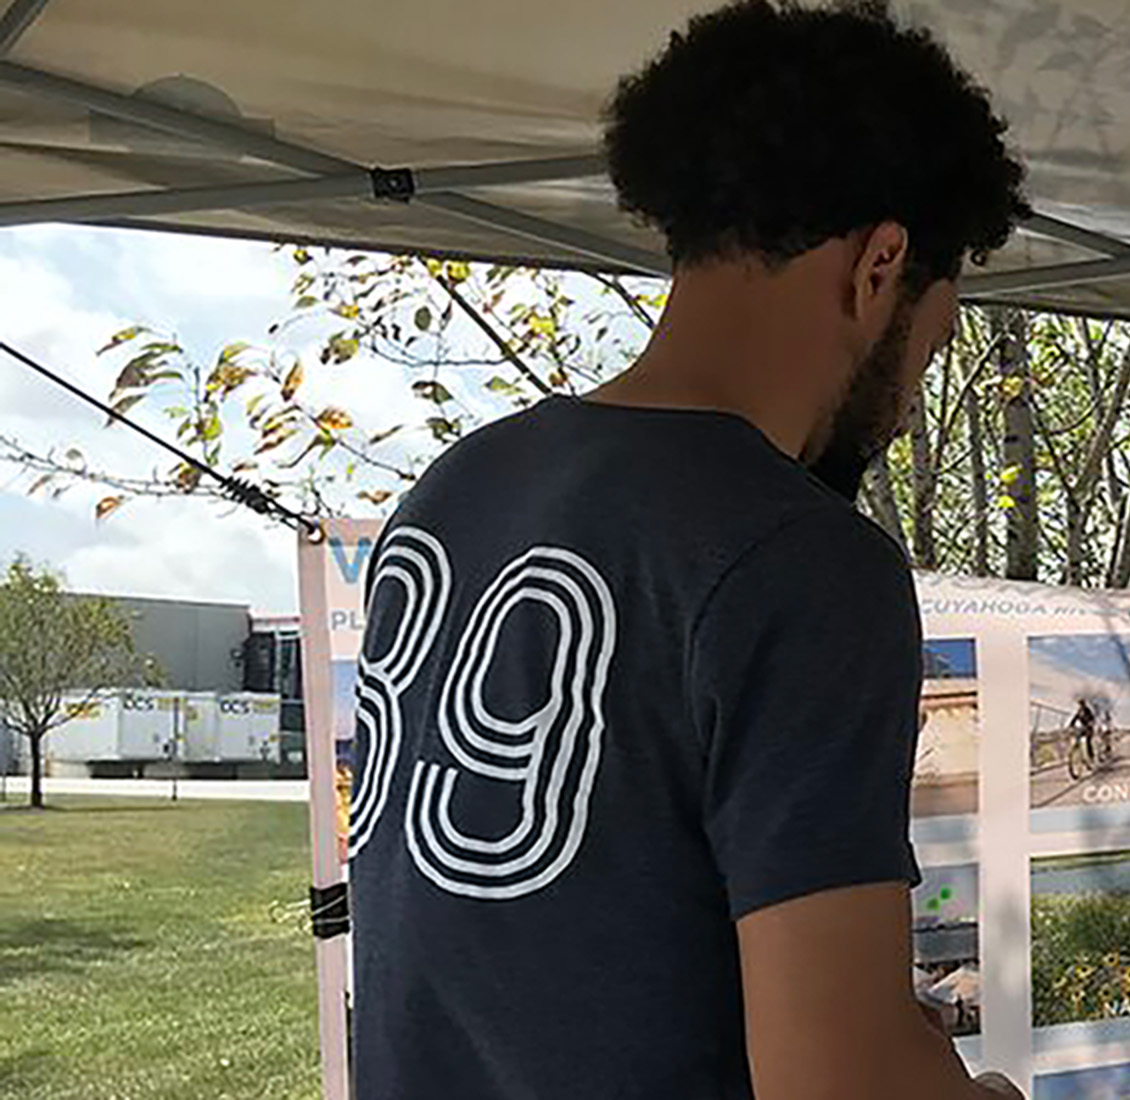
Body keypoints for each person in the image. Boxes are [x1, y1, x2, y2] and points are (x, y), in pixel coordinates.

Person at [342, 3, 1025, 1097]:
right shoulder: (800, 560)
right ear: (881, 267)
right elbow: (837, 1080)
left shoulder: (452, 490)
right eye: (932, 342)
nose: (905, 406)